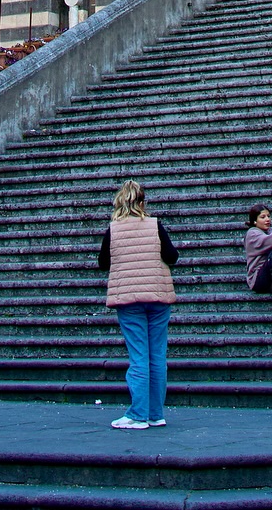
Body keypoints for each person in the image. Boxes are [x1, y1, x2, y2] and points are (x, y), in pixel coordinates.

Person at [97, 179, 178, 430]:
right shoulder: (155, 225)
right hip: (158, 295)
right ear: (142, 202)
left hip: (129, 298)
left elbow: (103, 262)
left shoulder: (114, 229)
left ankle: (138, 414)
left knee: (139, 356)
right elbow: (172, 256)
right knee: (157, 356)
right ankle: (155, 413)